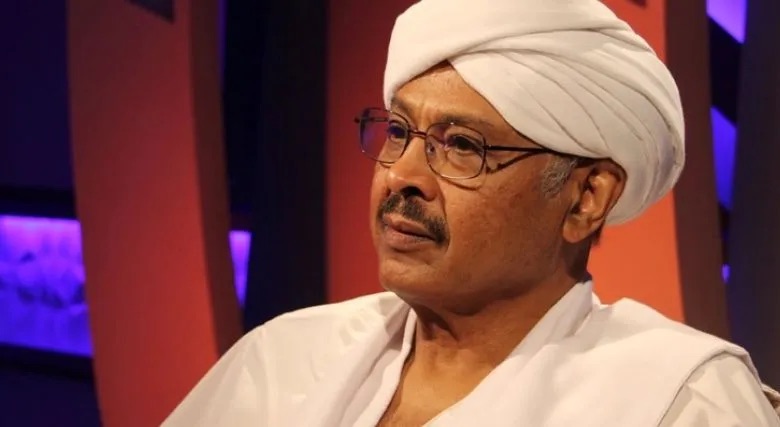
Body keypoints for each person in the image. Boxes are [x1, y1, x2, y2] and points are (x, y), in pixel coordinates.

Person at [164, 0, 780, 425]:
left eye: (462, 145)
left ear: (585, 198)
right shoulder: (285, 362)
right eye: (398, 131)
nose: (401, 176)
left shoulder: (679, 402)